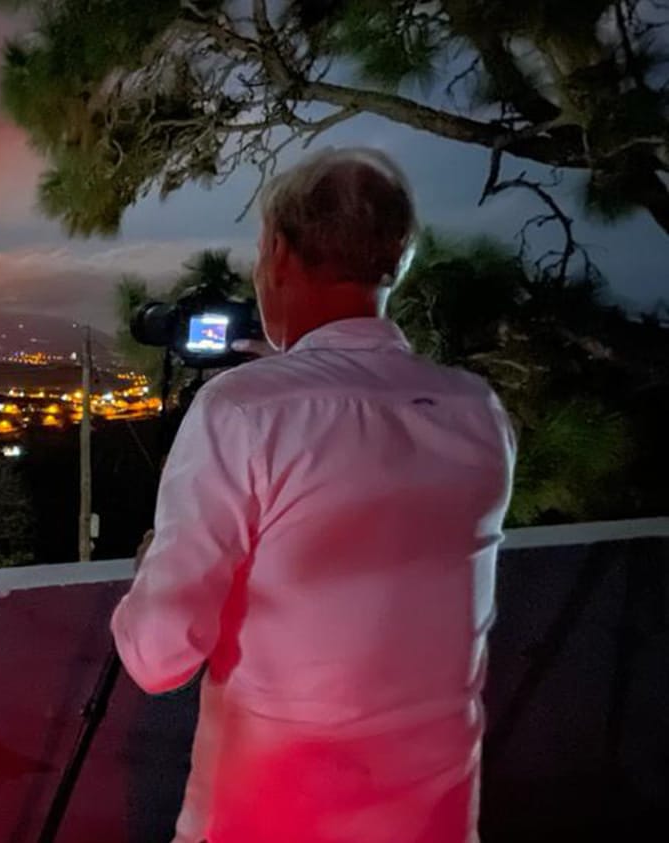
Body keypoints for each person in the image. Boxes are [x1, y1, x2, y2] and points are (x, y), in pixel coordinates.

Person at [111, 148, 516, 843]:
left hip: (268, 821)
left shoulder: (242, 411)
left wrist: (156, 561)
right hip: (435, 822)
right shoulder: (476, 411)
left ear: (277, 250)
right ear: (399, 260)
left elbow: (157, 657)